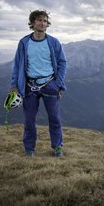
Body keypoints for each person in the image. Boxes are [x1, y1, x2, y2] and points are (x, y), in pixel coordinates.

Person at [10, 10, 67, 157]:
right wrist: (14, 86)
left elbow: (62, 62)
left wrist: (58, 83)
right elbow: (17, 65)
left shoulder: (53, 42)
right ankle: (29, 149)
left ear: (48, 24)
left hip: (50, 84)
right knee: (29, 120)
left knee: (54, 118)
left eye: (45, 20)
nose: (42, 23)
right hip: (29, 86)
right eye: (39, 20)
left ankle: (57, 147)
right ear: (32, 23)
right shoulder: (24, 43)